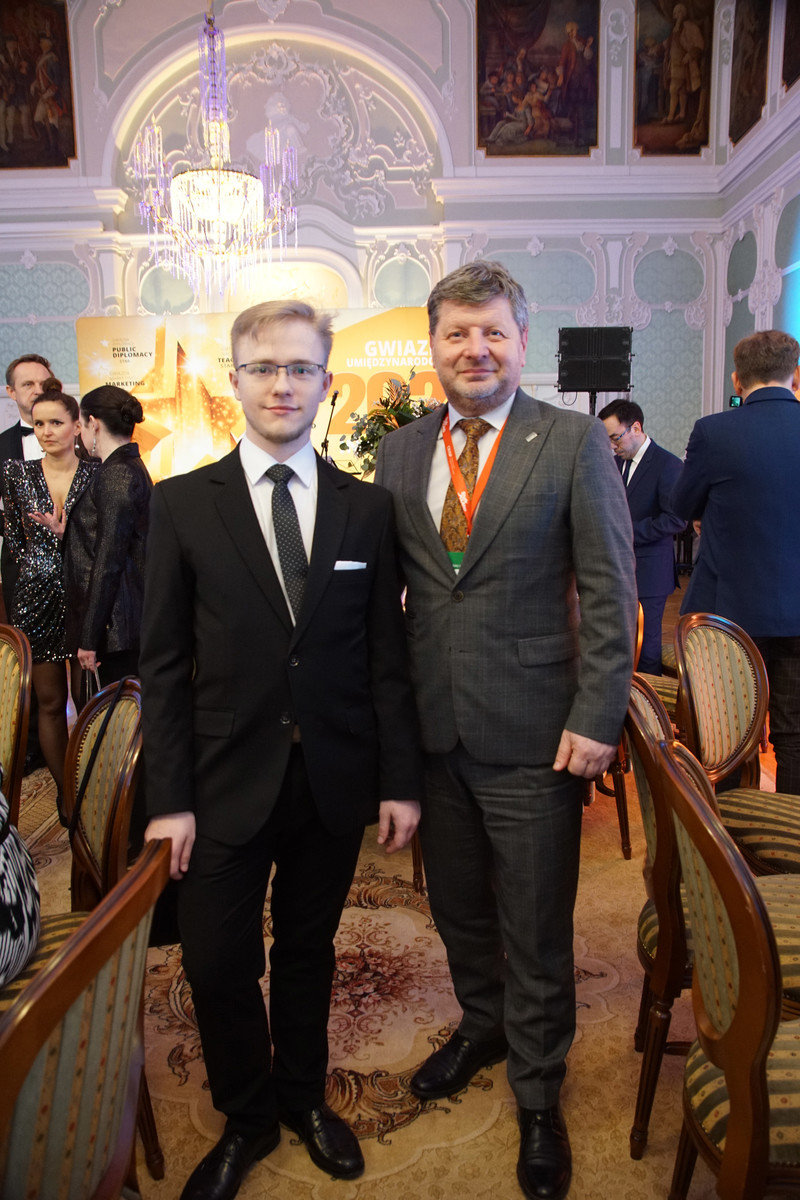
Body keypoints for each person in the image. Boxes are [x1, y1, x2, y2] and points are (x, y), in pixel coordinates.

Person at [141, 300, 421, 1200]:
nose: (282, 385)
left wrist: (399, 781)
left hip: (332, 777)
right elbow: (163, 664)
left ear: (326, 383)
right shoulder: (183, 504)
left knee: (308, 948)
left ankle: (302, 1098)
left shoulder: (366, 509)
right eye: (264, 367)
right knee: (216, 960)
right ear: (236, 381)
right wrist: (167, 799)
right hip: (220, 779)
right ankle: (248, 1116)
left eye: (300, 368)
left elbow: (386, 658)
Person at [374, 261, 637, 1200]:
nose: (475, 349)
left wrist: (598, 714)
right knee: (458, 910)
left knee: (535, 925)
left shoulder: (571, 441)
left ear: (523, 341)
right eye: (457, 333)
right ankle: (482, 1025)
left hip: (537, 733)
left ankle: (536, 1091)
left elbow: (610, 589)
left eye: (493, 332)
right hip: (434, 731)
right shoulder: (401, 451)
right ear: (433, 344)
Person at [671, 329, 800, 795]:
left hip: (729, 614)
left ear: (737, 379)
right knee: (795, 736)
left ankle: (728, 831)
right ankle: (789, 831)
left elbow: (681, 506)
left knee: (727, 735)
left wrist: (712, 511)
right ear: (795, 375)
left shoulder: (714, 431)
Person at [2, 381, 95, 802]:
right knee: (51, 703)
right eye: (39, 424)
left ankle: (96, 790)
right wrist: (40, 570)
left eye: (56, 422)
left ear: (77, 426)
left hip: (85, 598)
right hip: (36, 599)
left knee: (89, 703)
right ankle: (69, 798)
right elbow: (15, 542)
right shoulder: (17, 474)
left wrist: (65, 539)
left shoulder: (97, 474)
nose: (46, 431)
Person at [63, 385, 152, 688]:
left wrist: (89, 637)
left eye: (80, 424)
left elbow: (109, 560)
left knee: (113, 716)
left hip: (116, 629)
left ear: (94, 423)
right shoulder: (121, 468)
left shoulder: (117, 473)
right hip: (117, 624)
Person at [599, 398, 686, 674]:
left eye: (615, 437)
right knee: (618, 644)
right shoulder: (614, 463)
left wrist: (626, 533)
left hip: (650, 572)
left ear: (636, 428)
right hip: (616, 570)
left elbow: (676, 519)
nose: (612, 445)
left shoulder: (668, 464)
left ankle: (649, 700)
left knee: (647, 650)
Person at [1, 353, 53, 618]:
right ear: (11, 392)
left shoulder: (80, 439)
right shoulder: (1, 445)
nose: (38, 390)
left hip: (73, 565)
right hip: (19, 570)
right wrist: (20, 529)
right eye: (28, 384)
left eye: (44, 383)